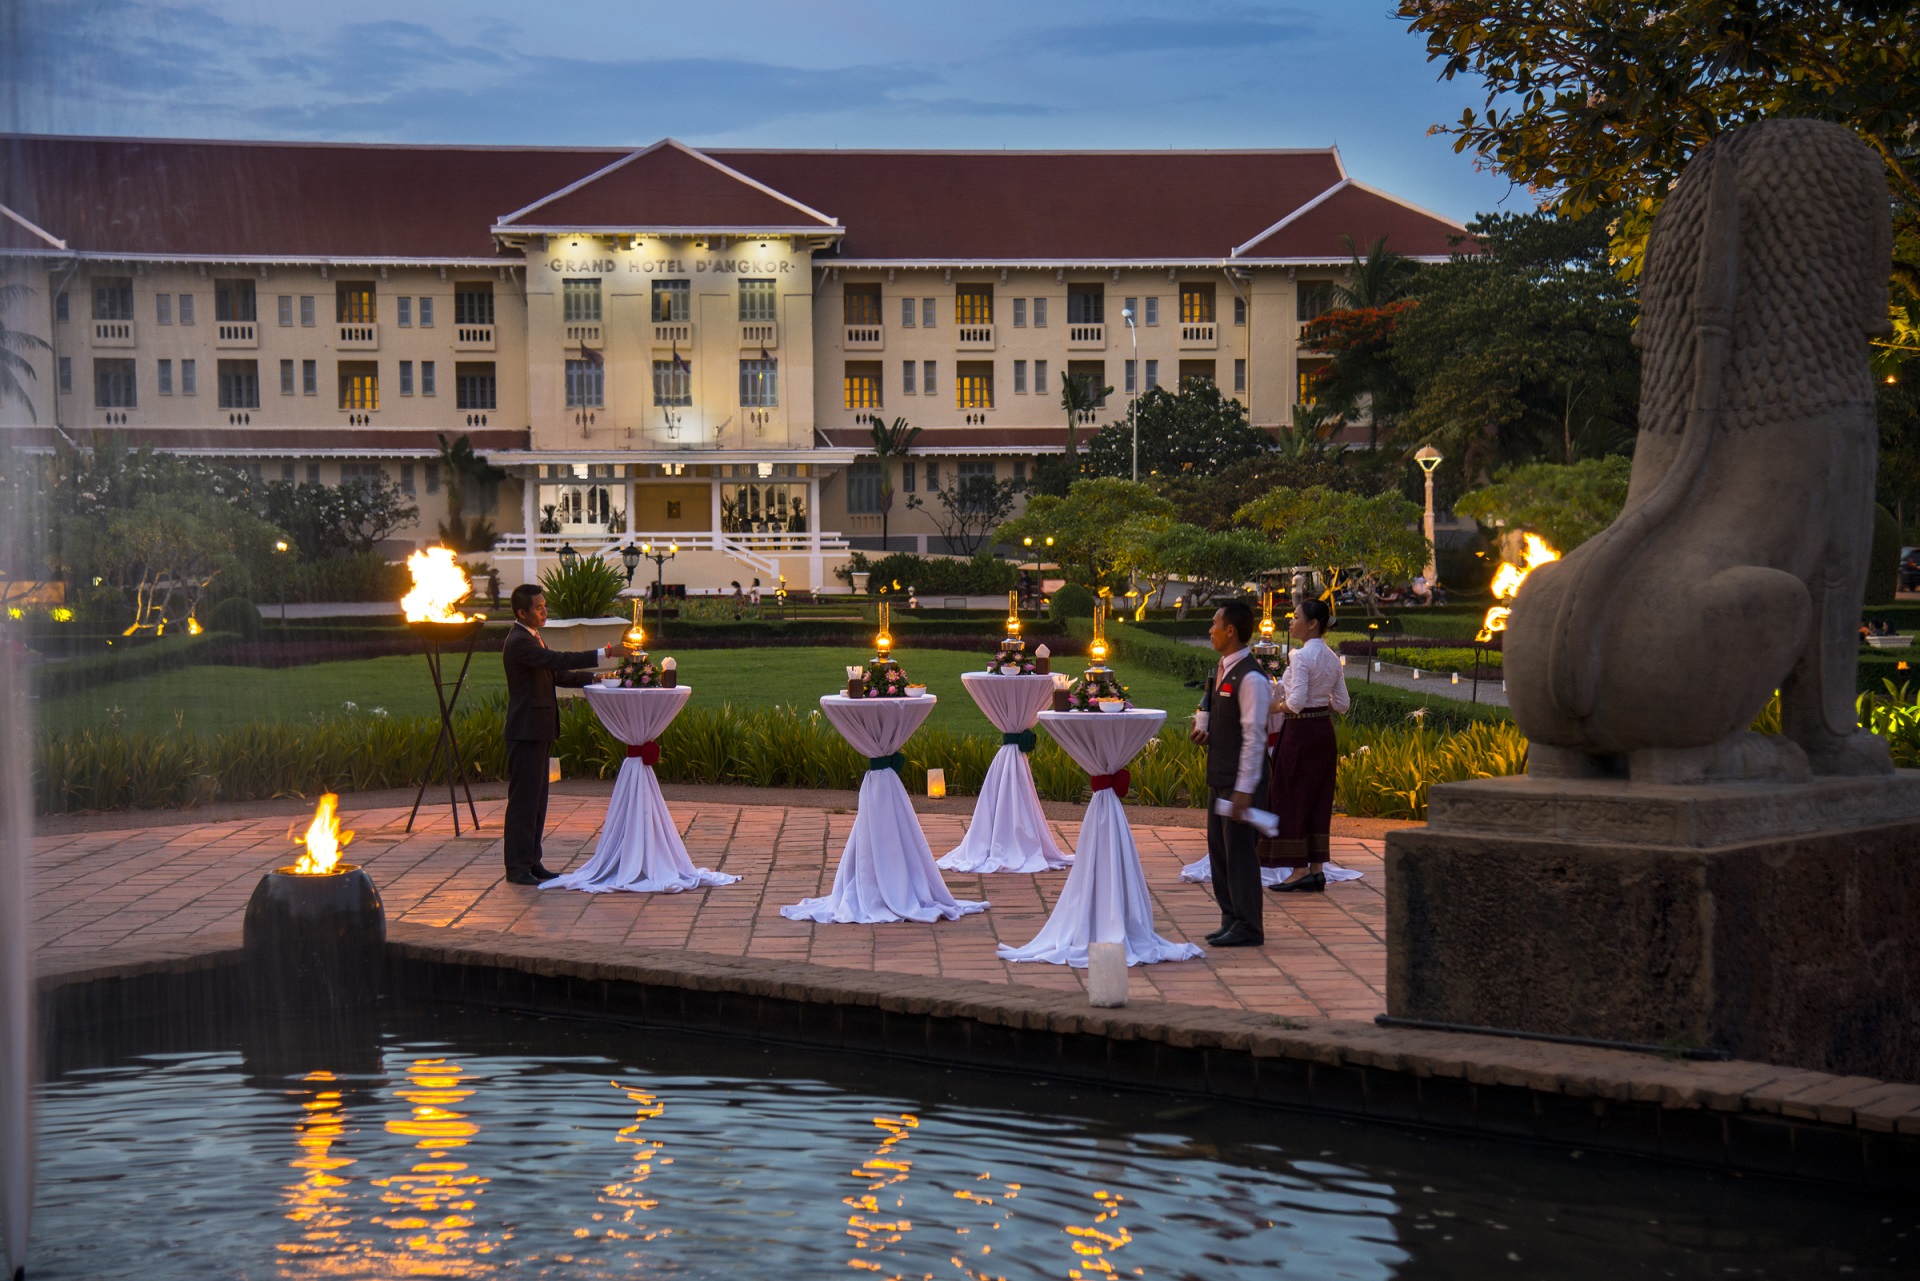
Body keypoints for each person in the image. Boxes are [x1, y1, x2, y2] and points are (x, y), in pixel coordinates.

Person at [501, 584, 625, 885]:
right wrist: (606, 652)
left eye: (545, 605)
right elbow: (557, 661)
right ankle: (517, 868)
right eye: (539, 607)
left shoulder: (532, 637)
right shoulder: (519, 641)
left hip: (539, 728)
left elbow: (557, 675)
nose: (545, 611)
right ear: (522, 612)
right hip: (525, 730)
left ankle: (533, 862)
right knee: (524, 802)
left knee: (538, 800)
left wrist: (598, 677)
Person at [1189, 598, 1271, 948]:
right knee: (1220, 851)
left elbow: (1255, 737)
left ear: (1231, 630)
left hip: (1240, 779)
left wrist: (1244, 789)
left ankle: (1249, 925)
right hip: (1220, 773)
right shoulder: (1223, 667)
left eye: (1214, 624)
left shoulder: (1251, 677)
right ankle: (1230, 917)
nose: (1210, 630)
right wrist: (1208, 734)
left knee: (1239, 854)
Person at [1264, 598, 1351, 893]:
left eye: (1296, 616)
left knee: (1290, 795)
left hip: (1300, 733)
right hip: (1323, 732)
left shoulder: (1301, 656)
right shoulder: (1331, 656)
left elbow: (1296, 703)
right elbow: (1342, 704)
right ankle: (1316, 869)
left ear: (1312, 624)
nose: (1291, 621)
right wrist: (1318, 699)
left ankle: (1299, 868)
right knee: (1317, 797)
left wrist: (1276, 707)